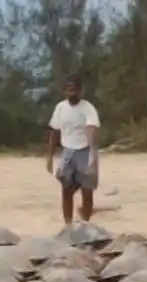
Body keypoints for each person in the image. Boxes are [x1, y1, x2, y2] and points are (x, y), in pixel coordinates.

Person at [46, 74, 100, 224]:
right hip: (68, 151)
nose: (71, 92)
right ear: (64, 90)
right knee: (66, 190)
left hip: (85, 150)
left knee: (87, 190)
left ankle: (86, 222)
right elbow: (55, 132)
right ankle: (68, 225)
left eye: (74, 88)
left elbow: (91, 129)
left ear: (80, 90)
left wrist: (92, 154)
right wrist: (50, 157)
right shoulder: (60, 108)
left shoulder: (88, 108)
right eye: (68, 89)